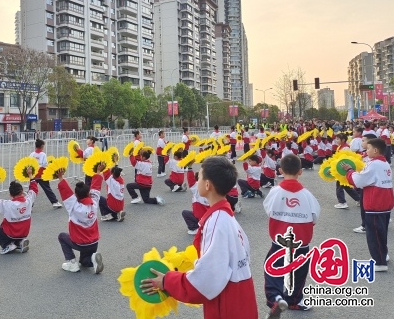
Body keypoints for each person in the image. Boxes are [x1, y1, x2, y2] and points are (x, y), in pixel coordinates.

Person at [141, 156, 258, 319]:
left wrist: (168, 281)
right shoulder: (227, 219)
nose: (198, 178)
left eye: (200, 176)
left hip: (226, 306)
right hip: (240, 300)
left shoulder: (217, 222)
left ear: (208, 185)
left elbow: (206, 279)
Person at [264, 154, 321, 317]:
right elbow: (315, 216)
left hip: (279, 241)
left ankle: (275, 297)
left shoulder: (275, 192)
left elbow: (268, 209)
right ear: (300, 172)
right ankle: (295, 300)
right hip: (301, 243)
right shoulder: (307, 195)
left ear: (280, 170)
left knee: (273, 269)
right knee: (299, 271)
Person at [342, 138, 394, 272]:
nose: (367, 150)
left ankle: (380, 262)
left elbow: (359, 181)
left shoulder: (374, 164)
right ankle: (383, 254)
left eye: (369, 148)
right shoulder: (384, 163)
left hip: (375, 203)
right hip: (385, 202)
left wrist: (349, 171)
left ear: (376, 150)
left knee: (374, 233)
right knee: (382, 232)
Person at [57, 165, 104, 274]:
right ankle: (93, 260)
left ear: (76, 196)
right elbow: (96, 187)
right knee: (84, 262)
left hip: (81, 243)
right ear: (88, 193)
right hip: (94, 243)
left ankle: (72, 263)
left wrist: (60, 177)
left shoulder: (73, 206)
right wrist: (98, 171)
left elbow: (66, 192)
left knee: (62, 236)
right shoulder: (94, 202)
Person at [0, 169, 38, 255]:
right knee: (14, 230)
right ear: (22, 191)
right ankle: (19, 243)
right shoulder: (28, 200)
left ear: (10, 195)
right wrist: (30, 175)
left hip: (11, 234)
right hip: (24, 233)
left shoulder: (8, 204)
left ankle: (7, 245)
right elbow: (34, 189)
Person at [30, 138, 63, 208]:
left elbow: (29, 163)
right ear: (42, 146)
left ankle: (28, 204)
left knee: (32, 189)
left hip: (33, 175)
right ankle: (55, 202)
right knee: (47, 189)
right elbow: (45, 164)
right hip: (42, 175)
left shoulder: (32, 154)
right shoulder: (43, 154)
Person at [333, 133, 360, 209]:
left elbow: (345, 160)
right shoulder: (340, 147)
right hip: (341, 169)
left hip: (343, 170)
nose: (336, 140)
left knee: (339, 187)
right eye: (336, 139)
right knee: (346, 186)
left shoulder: (346, 148)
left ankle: (342, 202)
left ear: (343, 140)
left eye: (338, 139)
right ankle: (359, 199)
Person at [182, 171, 210, 235]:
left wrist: (189, 169)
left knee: (185, 213)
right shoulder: (210, 189)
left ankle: (196, 228)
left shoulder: (197, 189)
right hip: (210, 218)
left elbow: (191, 181)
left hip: (201, 218)